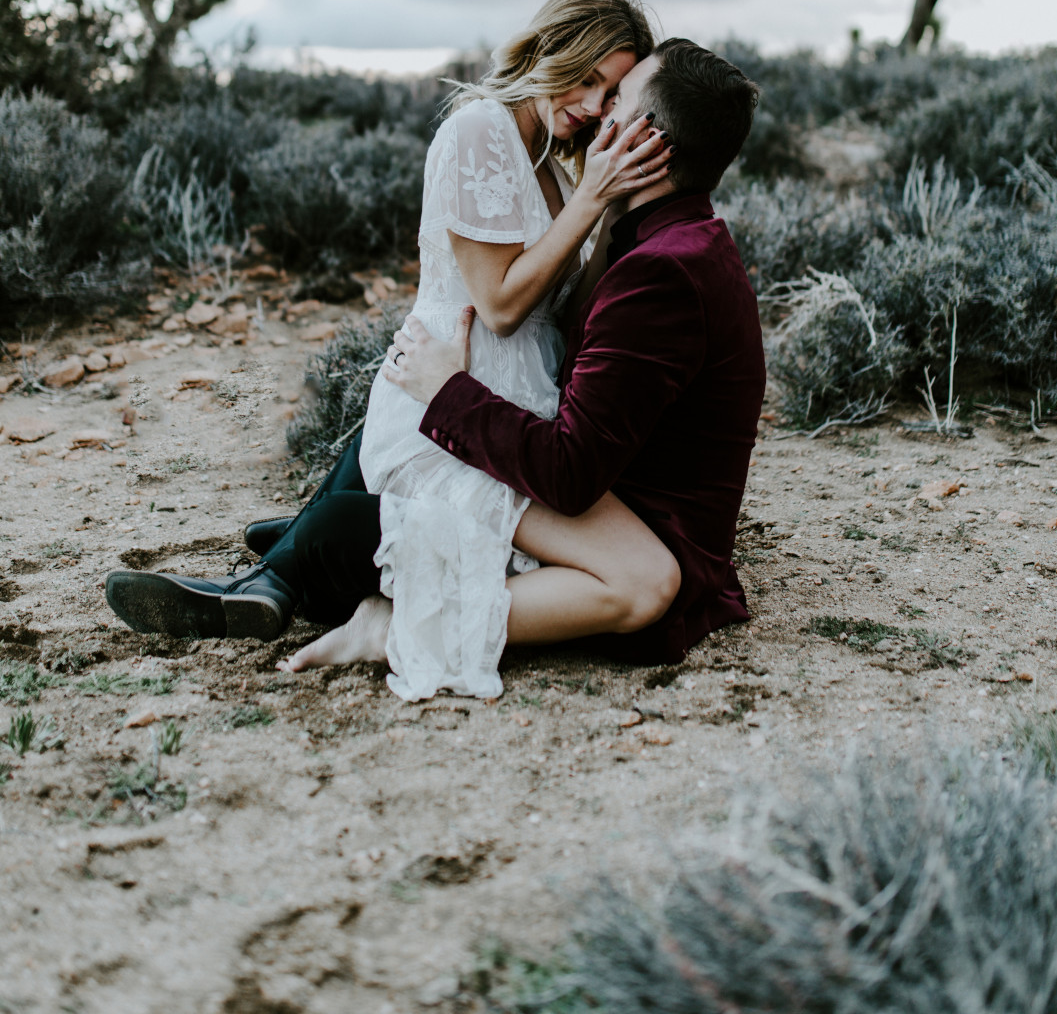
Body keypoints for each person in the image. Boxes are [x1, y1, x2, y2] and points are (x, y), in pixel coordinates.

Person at [120, 37, 765, 677]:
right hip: (611, 496)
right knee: (403, 455)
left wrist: (449, 390)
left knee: (361, 519)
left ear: (646, 140)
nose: (600, 110)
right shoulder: (676, 236)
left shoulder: (662, 273)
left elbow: (568, 468)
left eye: (617, 96)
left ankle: (334, 569)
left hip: (640, 533)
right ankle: (293, 550)